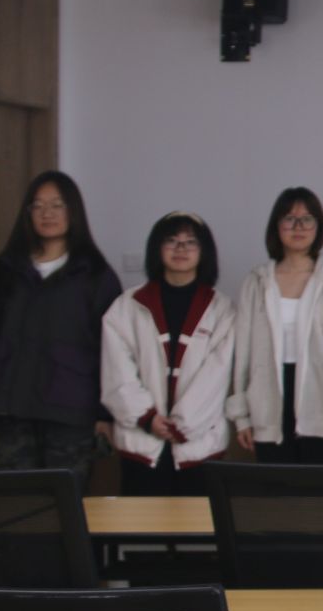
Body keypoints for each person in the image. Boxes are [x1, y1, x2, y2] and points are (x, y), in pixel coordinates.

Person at [0, 171, 122, 487]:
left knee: (67, 504)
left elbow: (114, 352)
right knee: (18, 505)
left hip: (72, 415)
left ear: (73, 211)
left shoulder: (96, 276)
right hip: (11, 412)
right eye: (38, 206)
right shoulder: (3, 273)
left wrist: (106, 415)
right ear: (27, 213)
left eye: (57, 205)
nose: (48, 214)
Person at [101, 211, 236, 495]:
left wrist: (182, 426)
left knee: (199, 521)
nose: (181, 248)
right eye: (171, 241)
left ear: (204, 251)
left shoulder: (222, 310)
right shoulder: (128, 306)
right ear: (157, 248)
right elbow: (117, 371)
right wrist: (147, 417)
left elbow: (217, 376)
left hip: (198, 444)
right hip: (141, 442)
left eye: (191, 242)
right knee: (141, 520)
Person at [228, 187, 323, 465]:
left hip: (322, 401)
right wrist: (241, 416)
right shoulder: (256, 282)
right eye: (289, 219)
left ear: (318, 227)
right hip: (268, 401)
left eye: (307, 219)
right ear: (276, 226)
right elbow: (242, 354)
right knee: (276, 486)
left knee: (322, 486)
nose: (298, 227)